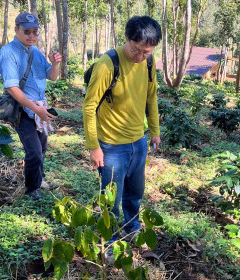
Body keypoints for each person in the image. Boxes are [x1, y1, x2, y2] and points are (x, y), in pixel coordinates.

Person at [82, 16, 161, 242]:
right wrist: (93, 146)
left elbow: (151, 96)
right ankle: (109, 238)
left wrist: (154, 130)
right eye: (137, 50)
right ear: (127, 38)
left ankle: (131, 226)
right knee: (111, 199)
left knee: (135, 192)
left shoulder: (148, 61)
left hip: (138, 141)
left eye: (147, 52)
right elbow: (89, 106)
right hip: (111, 145)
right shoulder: (107, 64)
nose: (141, 56)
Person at [0, 13, 61, 200]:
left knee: (41, 148)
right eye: (27, 31)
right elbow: (12, 88)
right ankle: (32, 189)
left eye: (35, 32)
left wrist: (56, 63)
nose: (31, 36)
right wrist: (36, 110)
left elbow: (52, 76)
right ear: (16, 29)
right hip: (22, 110)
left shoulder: (35, 52)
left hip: (39, 109)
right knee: (33, 152)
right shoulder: (8, 53)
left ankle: (39, 179)